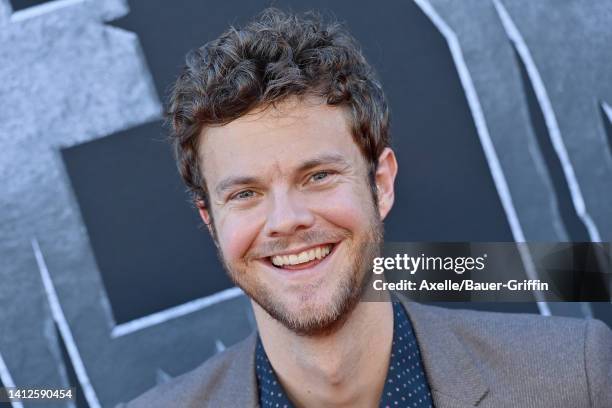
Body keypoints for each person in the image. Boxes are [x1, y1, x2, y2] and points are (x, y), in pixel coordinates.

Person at [120, 8, 612, 408]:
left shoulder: (574, 377)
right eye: (245, 193)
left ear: (381, 184)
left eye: (317, 176)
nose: (287, 219)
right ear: (210, 221)